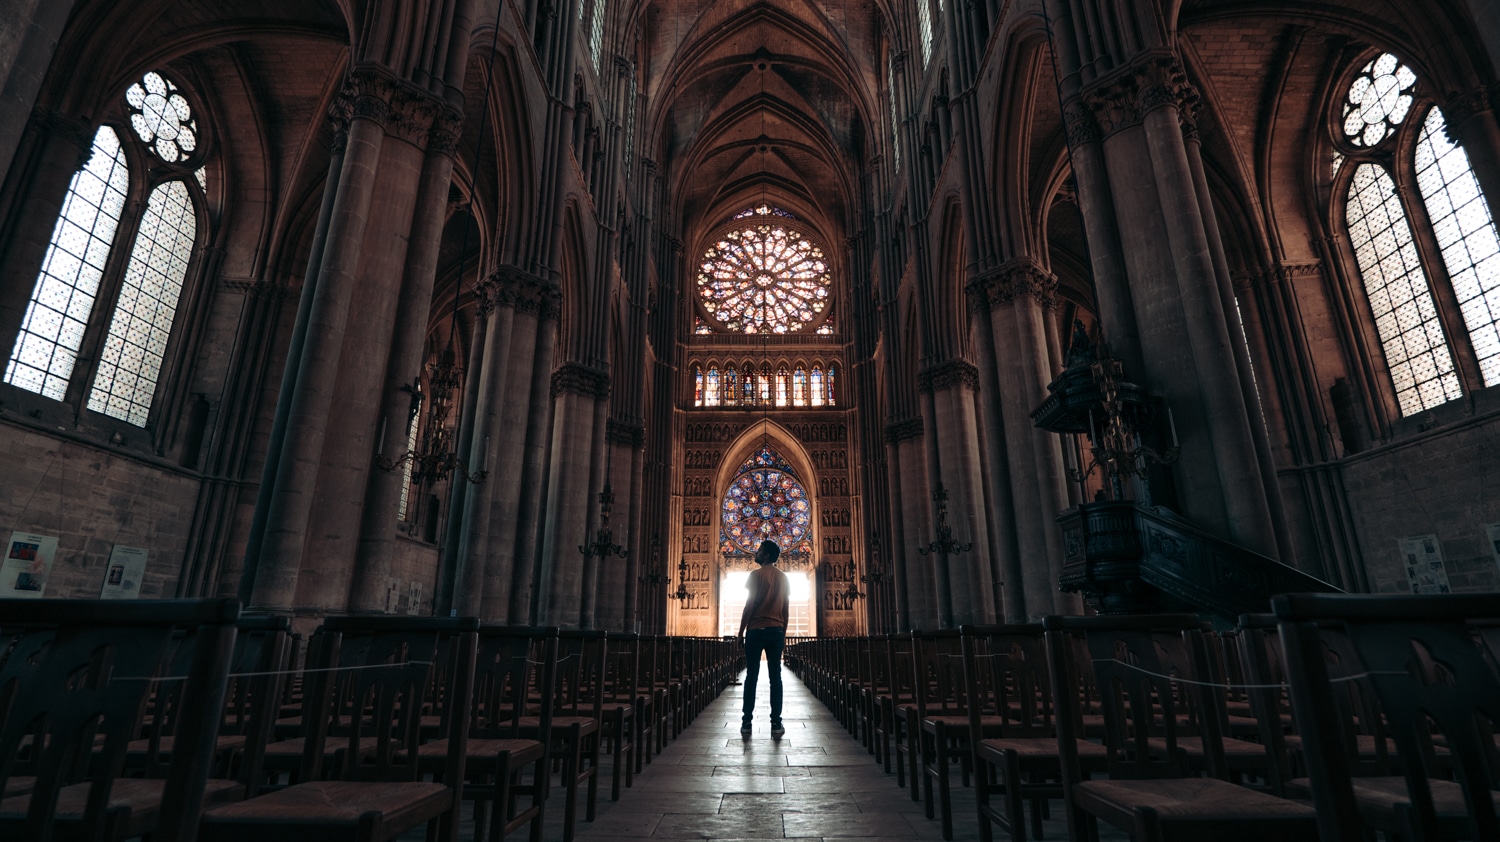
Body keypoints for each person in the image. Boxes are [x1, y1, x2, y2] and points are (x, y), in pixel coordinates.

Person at [738, 539, 790, 738]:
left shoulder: (756, 575)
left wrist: (740, 632)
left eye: (759, 550)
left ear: (766, 554)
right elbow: (785, 609)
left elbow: (749, 606)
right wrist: (782, 632)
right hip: (776, 630)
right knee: (775, 677)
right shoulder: (783, 578)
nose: (756, 552)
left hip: (756, 630)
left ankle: (746, 722)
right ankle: (776, 723)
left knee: (751, 676)